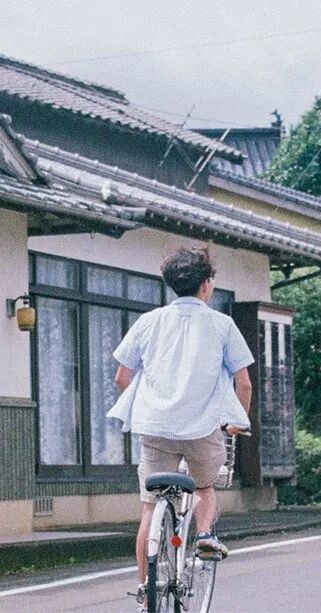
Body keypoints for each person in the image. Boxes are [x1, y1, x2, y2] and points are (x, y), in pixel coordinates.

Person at [107, 245, 254, 602]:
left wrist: (149, 403)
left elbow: (122, 377)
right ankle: (203, 535)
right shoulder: (222, 324)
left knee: (149, 507)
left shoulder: (149, 321)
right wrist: (236, 422)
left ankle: (146, 592)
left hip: (155, 427)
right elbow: (244, 384)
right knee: (204, 486)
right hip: (202, 429)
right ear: (206, 284)